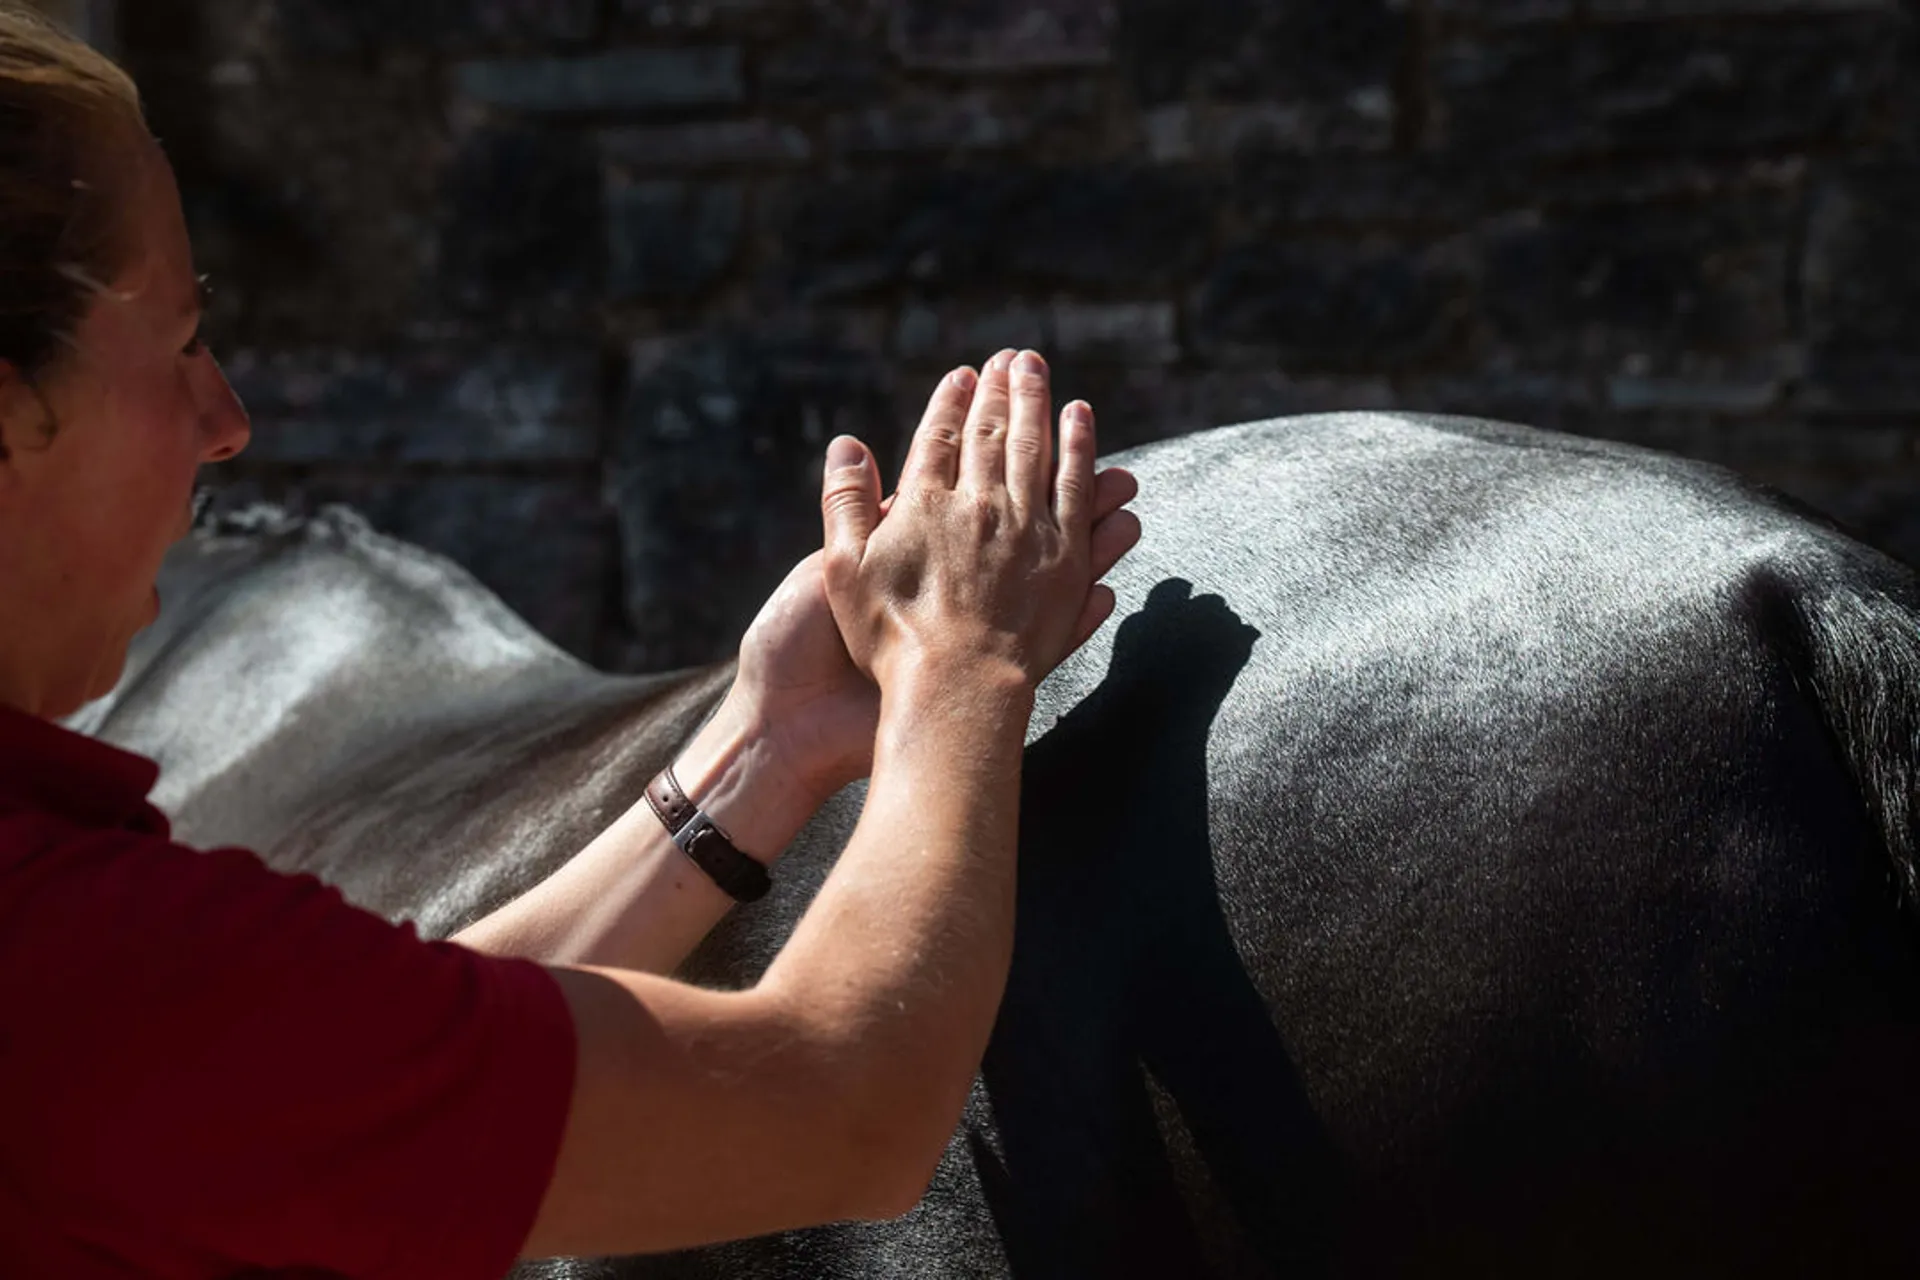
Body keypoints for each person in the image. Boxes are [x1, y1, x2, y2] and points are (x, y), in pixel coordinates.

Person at [0, 7, 1144, 1277]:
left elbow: (354, 1083)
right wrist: (962, 665)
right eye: (178, 343)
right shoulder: (68, 958)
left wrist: (760, 749)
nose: (227, 419)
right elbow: (844, 1104)